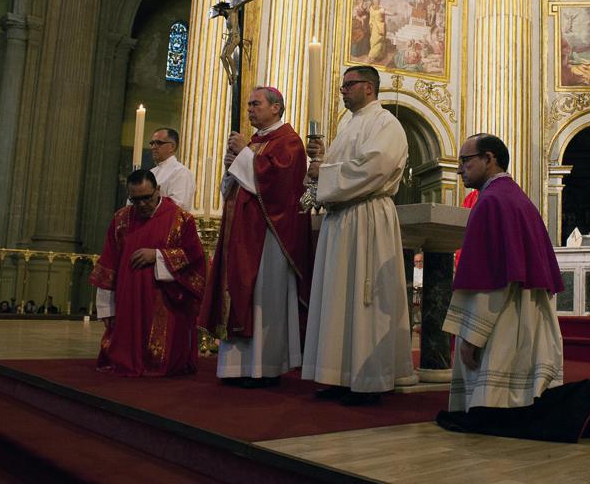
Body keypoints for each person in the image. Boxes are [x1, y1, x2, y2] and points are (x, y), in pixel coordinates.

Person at [436, 134, 590, 442]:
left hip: (505, 320)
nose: (460, 170)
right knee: (515, 409)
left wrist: (473, 336)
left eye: (466, 161)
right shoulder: (516, 198)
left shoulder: (491, 202)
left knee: (494, 416)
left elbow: (491, 278)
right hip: (524, 314)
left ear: (489, 159)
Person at [302, 65, 415, 405]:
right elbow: (329, 175)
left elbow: (375, 166)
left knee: (365, 299)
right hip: (341, 221)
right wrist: (320, 168)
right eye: (342, 86)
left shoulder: (386, 124)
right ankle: (338, 374)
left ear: (368, 87)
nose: (342, 91)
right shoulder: (347, 126)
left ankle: (369, 380)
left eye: (348, 85)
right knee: (338, 297)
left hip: (368, 217)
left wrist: (326, 172)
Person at [200, 86, 311, 388]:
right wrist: (230, 168)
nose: (250, 109)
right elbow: (232, 189)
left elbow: (278, 186)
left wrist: (244, 156)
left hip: (268, 236)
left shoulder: (289, 141)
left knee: (263, 297)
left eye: (255, 104)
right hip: (240, 233)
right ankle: (236, 367)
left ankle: (264, 367)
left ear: (276, 108)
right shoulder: (254, 142)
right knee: (237, 292)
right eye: (248, 104)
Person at [90, 169, 205, 377]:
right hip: (128, 298)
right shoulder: (121, 219)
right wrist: (106, 308)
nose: (142, 205)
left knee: (163, 359)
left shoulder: (181, 219)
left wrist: (159, 256)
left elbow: (194, 256)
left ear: (158, 190)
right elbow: (109, 262)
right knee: (123, 356)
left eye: (147, 198)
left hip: (165, 300)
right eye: (135, 200)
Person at [148, 128, 196, 212]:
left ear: (172, 147)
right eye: (152, 143)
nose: (153, 147)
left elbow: (178, 205)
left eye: (158, 143)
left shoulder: (181, 173)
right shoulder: (151, 172)